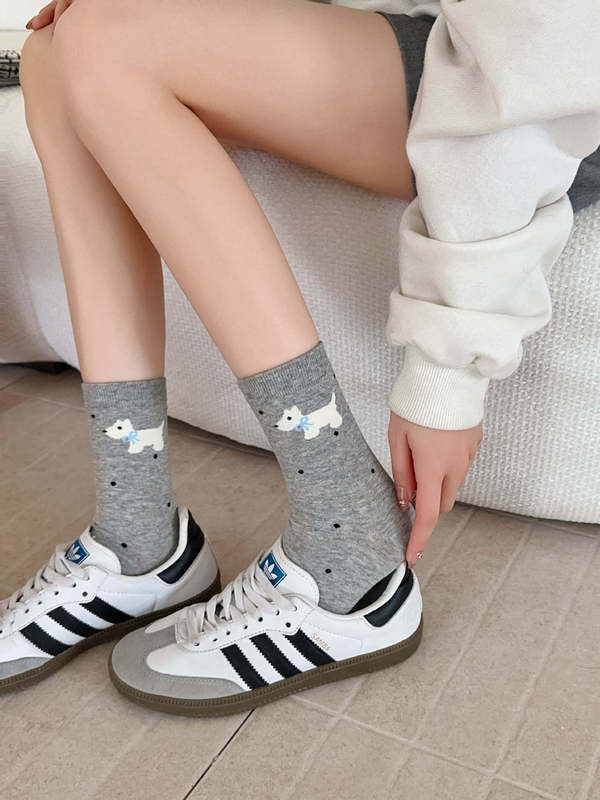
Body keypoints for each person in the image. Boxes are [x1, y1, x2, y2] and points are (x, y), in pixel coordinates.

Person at [1, 0, 598, 714]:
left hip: (542, 86)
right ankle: (137, 537)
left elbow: (549, 47)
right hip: (420, 34)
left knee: (103, 43)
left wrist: (451, 364)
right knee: (53, 57)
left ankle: (350, 543)